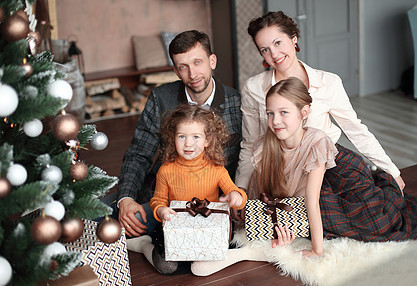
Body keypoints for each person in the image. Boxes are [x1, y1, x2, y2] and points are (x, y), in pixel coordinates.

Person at [235, 11, 405, 207]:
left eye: (278, 43)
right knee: (310, 219)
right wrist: (242, 189)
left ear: (293, 38)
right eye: (264, 49)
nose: (274, 54)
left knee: (373, 210)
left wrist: (393, 171)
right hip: (281, 173)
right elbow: (250, 144)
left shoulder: (328, 82)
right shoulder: (254, 88)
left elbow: (356, 131)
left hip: (326, 167)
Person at [251, 77, 417, 257]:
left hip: (340, 174)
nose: (275, 121)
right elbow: (266, 199)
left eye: (284, 112)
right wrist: (280, 232)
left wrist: (317, 251)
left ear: (304, 112)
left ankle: (381, 183)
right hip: (318, 189)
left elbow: (311, 201)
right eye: (270, 113)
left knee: (380, 222)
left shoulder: (317, 143)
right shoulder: (264, 149)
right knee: (329, 218)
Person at [116, 30, 242, 237]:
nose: (192, 75)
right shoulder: (160, 98)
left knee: (127, 230)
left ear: (212, 61)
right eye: (183, 67)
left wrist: (237, 197)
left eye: (198, 62)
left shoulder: (236, 102)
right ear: (176, 71)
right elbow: (139, 154)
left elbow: (247, 157)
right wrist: (126, 198)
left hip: (211, 205)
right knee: (102, 216)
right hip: (163, 196)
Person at [126, 105, 247, 275]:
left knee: (203, 265)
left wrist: (235, 197)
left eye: (196, 137)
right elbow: (158, 200)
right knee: (166, 267)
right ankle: (144, 244)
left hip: (207, 229)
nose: (188, 144)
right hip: (177, 230)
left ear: (207, 140)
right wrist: (161, 211)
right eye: (181, 136)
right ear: (172, 138)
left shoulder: (217, 170)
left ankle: (193, 260)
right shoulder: (166, 170)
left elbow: (237, 193)